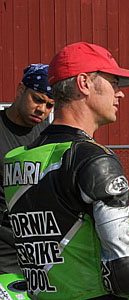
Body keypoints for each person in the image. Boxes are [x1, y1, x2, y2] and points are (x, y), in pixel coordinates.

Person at [3, 42, 129, 299]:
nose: (119, 93)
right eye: (113, 82)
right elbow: (128, 274)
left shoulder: (17, 158)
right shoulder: (93, 159)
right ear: (84, 83)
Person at [0, 63, 54, 274]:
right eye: (37, 99)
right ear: (21, 90)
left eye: (49, 105)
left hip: (37, 245)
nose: (41, 109)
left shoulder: (47, 135)